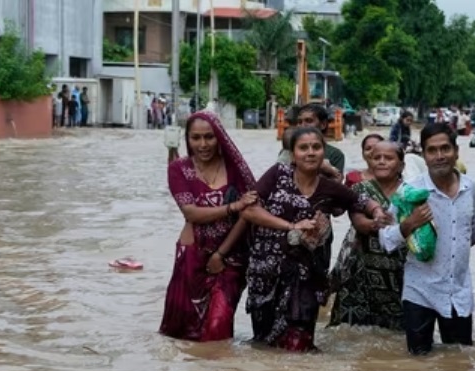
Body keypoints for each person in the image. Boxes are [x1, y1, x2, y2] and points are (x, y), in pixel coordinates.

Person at [379, 123, 475, 355]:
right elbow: (386, 239)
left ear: (456, 152)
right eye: (432, 150)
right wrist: (410, 224)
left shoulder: (469, 187)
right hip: (419, 291)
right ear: (424, 155)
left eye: (445, 149)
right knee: (417, 364)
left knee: (459, 362)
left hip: (457, 292)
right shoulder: (409, 192)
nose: (439, 156)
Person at [242, 127, 390, 352]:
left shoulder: (329, 187)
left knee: (299, 347)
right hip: (267, 274)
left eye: (316, 147)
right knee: (264, 345)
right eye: (303, 148)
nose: (310, 152)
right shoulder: (277, 174)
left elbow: (361, 201)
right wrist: (291, 226)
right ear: (293, 154)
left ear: (324, 153)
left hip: (307, 276)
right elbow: (248, 210)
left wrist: (378, 211)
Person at [160, 110, 258, 341]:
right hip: (192, 257)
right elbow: (191, 213)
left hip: (230, 258)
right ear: (188, 139)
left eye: (209, 137)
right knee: (183, 331)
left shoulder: (235, 169)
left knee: (218, 325)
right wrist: (232, 207)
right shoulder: (178, 169)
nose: (203, 144)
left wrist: (221, 254)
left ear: (220, 138)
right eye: (196, 138)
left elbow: (251, 211)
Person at [329, 141, 407, 330]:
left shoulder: (410, 192)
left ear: (401, 165)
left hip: (399, 273)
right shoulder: (359, 189)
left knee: (397, 336)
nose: (381, 162)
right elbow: (358, 222)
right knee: (351, 333)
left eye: (388, 158)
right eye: (376, 158)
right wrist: (376, 223)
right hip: (360, 273)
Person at [297, 104, 344, 181]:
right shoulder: (289, 151)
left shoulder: (335, 154)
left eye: (308, 121)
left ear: (323, 124)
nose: (302, 125)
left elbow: (336, 184)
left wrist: (326, 169)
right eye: (299, 122)